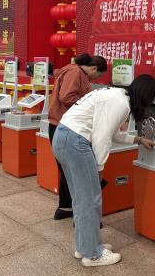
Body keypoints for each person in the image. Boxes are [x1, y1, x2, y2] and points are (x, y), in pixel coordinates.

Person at [51, 74, 155, 267]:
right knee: (90, 200)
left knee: (81, 199)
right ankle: (93, 254)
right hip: (75, 141)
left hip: (63, 137)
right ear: (147, 95)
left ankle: (85, 246)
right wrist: (99, 169)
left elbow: (113, 133)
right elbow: (102, 138)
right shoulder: (121, 103)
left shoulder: (115, 95)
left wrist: (139, 140)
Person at [48, 53, 107, 221]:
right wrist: (89, 104)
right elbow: (66, 96)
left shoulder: (70, 70)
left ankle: (65, 207)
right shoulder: (76, 72)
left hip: (59, 124)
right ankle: (75, 210)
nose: (95, 79)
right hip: (65, 125)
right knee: (73, 171)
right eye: (98, 75)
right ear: (94, 68)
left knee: (67, 170)